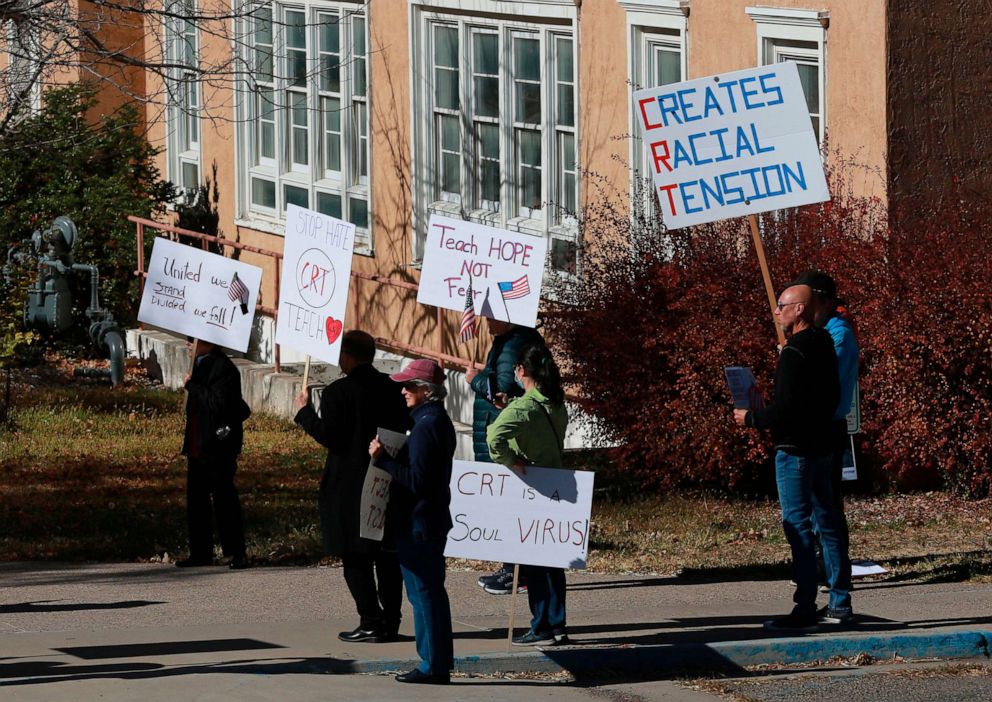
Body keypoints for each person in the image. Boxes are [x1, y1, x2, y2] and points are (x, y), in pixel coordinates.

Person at [734, 284, 852, 632]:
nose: (777, 311)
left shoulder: (795, 352)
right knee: (828, 522)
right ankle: (840, 602)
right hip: (821, 445)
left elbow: (785, 407)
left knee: (798, 526)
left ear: (800, 310)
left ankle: (804, 604)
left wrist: (751, 418)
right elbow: (828, 397)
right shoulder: (825, 344)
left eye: (782, 305)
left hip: (794, 449)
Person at [293, 330, 411, 643]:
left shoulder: (339, 392)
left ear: (347, 355)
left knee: (356, 557)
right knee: (386, 556)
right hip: (386, 479)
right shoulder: (393, 388)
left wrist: (304, 413)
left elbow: (332, 437)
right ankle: (391, 620)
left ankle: (370, 619)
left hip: (349, 484)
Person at [370, 359, 456, 685]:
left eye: (409, 386)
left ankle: (433, 665)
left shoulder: (426, 426)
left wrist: (383, 461)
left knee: (424, 594)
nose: (403, 391)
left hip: (420, 522)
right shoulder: (435, 421)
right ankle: (436, 662)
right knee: (429, 592)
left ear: (426, 391)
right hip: (429, 520)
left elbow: (418, 480)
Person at [486, 344, 570, 646]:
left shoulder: (522, 409)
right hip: (557, 484)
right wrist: (510, 405)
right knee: (554, 563)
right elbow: (534, 418)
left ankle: (541, 627)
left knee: (534, 564)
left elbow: (494, 437)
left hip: (532, 486)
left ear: (522, 372)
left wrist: (511, 459)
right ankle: (557, 625)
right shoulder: (556, 403)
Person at [466, 318, 544, 595]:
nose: (485, 321)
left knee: (510, 506)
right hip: (499, 428)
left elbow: (502, 387)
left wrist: (474, 379)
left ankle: (516, 572)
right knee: (506, 506)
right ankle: (512, 569)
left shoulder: (514, 343)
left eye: (490, 316)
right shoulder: (508, 341)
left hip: (502, 431)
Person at [179, 338, 250, 570]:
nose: (188, 344)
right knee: (197, 502)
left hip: (218, 445)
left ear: (207, 343)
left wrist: (193, 387)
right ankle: (200, 552)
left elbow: (220, 404)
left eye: (193, 340)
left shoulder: (223, 368)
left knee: (224, 500)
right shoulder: (197, 365)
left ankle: (236, 552)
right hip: (198, 445)